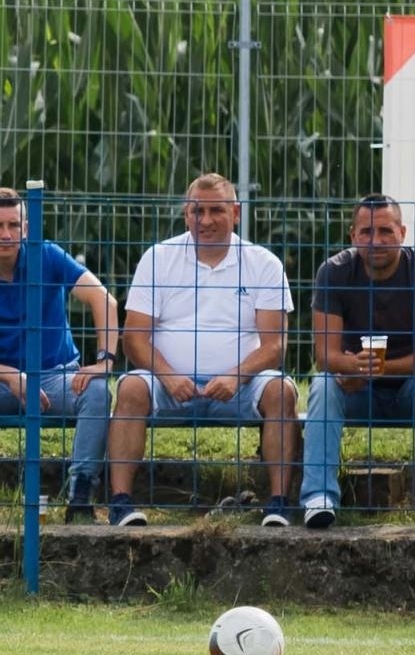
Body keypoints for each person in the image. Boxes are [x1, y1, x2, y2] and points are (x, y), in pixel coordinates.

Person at [105, 173, 297, 527]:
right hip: (169, 385)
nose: (205, 220)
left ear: (236, 213)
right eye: (197, 211)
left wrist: (236, 376)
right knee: (130, 388)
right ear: (185, 214)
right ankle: (121, 504)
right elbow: (134, 338)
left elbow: (275, 346)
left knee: (281, 391)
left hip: (241, 385)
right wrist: (169, 376)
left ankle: (279, 504)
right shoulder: (158, 258)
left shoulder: (264, 263)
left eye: (216, 211)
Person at [0, 186, 117, 522]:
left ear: (26, 229)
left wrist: (104, 361)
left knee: (98, 392)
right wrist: (9, 376)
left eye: (14, 225)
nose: (6, 234)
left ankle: (80, 496)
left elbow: (103, 300)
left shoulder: (48, 255)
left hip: (56, 377)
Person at [301, 194, 415, 529]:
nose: (375, 241)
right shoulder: (334, 272)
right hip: (355, 388)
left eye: (385, 232)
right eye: (366, 232)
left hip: (413, 388)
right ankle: (318, 497)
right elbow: (325, 355)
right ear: (352, 235)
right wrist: (353, 369)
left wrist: (378, 369)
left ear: (402, 232)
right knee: (323, 384)